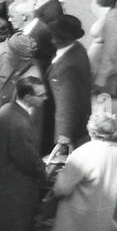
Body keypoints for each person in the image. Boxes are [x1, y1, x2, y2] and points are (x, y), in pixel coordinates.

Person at [0, 79, 49, 231]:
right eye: (41, 95)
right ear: (28, 97)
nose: (45, 98)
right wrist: (43, 170)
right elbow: (27, 160)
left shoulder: (6, 110)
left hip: (2, 179)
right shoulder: (20, 123)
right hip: (17, 185)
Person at [46, 14, 91, 152]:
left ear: (56, 38)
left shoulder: (66, 68)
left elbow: (66, 104)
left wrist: (63, 137)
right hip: (80, 119)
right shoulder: (77, 47)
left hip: (68, 127)